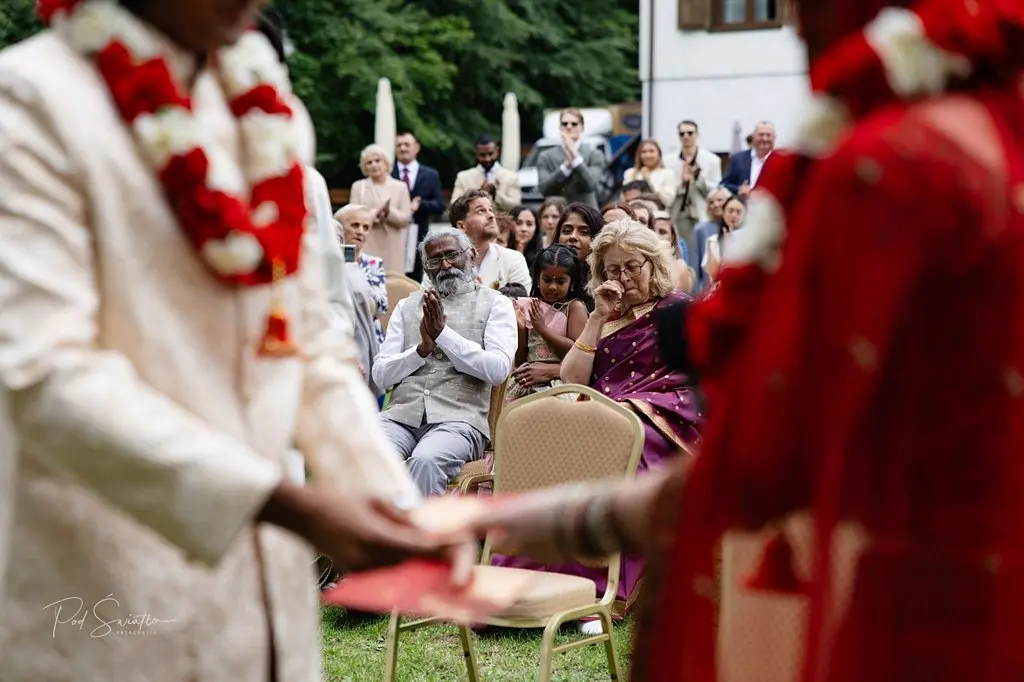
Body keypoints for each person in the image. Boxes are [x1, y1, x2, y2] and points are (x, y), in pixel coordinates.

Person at [465, 1, 1024, 680]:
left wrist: (569, 516)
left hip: (916, 583)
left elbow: (776, 444)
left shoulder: (890, 164)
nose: (791, 20)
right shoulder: (996, 129)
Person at [0, 3, 470, 681]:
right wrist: (283, 504)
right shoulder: (32, 102)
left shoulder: (264, 112)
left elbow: (308, 337)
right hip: (107, 583)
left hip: (267, 603)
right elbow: (42, 375)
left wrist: (388, 502)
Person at [493, 220, 701, 628]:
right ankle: (530, 579)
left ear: (652, 264)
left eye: (631, 267)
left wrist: (631, 407)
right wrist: (596, 319)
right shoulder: (605, 313)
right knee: (551, 449)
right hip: (597, 410)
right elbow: (572, 378)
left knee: (619, 444)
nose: (621, 278)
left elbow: (691, 380)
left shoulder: (677, 308)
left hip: (659, 420)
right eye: (611, 270)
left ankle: (604, 588)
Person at [372, 228, 518, 496]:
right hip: (400, 418)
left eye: (452, 255)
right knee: (366, 455)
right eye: (435, 260)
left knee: (426, 461)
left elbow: (498, 369)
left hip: (459, 421)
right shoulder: (407, 306)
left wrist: (443, 335)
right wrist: (421, 350)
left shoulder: (496, 304)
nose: (445, 265)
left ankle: (417, 537)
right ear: (427, 270)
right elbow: (381, 375)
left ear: (471, 255)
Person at [506, 245, 588, 401]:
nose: (552, 286)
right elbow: (520, 359)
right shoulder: (530, 306)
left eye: (561, 281)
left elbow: (577, 350)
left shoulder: (574, 308)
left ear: (571, 282)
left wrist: (543, 329)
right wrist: (521, 328)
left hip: (560, 383)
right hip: (527, 380)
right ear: (537, 278)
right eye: (547, 279)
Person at [442, 189, 531, 291]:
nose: (491, 216)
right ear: (462, 226)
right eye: (481, 211)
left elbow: (522, 304)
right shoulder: (441, 263)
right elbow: (427, 304)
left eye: (490, 210)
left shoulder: (514, 260)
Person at [350, 144, 413, 276]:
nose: (374, 165)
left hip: (392, 243)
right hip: (367, 242)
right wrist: (375, 211)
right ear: (364, 167)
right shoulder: (358, 187)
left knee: (393, 284)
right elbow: (352, 218)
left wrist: (388, 212)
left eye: (377, 161)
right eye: (369, 162)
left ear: (386, 163)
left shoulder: (400, 187)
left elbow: (405, 219)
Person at [393, 131, 446, 280]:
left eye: (406, 145)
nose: (403, 148)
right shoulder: (388, 173)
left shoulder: (430, 175)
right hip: (392, 236)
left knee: (414, 280)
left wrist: (421, 204)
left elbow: (440, 205)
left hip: (418, 237)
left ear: (416, 148)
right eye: (399, 145)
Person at [536, 108, 605, 208]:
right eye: (565, 123)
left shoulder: (595, 154)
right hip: (558, 214)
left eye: (574, 124)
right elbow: (543, 189)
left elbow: (591, 185)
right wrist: (564, 168)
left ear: (582, 128)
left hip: (586, 213)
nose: (569, 127)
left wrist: (576, 158)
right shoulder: (546, 156)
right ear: (560, 127)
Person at [555, 202, 606, 310]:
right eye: (567, 231)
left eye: (583, 232)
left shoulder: (605, 282)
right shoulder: (544, 271)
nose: (573, 236)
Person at [451, 134, 522, 211]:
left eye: (491, 154)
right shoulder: (463, 177)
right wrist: (477, 193)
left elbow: (516, 207)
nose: (487, 159)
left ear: (497, 151)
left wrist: (496, 194)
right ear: (476, 153)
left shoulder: (511, 177)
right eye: (482, 155)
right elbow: (454, 207)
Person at [703, 194, 746, 285]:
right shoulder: (712, 241)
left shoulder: (750, 240)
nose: (734, 215)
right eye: (730, 211)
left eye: (739, 212)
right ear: (723, 213)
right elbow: (713, 275)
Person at [623, 139, 677, 210]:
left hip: (657, 215)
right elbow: (624, 197)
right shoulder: (630, 173)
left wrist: (648, 181)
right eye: (643, 152)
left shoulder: (668, 173)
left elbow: (667, 201)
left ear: (659, 154)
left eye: (651, 151)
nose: (647, 155)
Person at [508, 205, 545, 270]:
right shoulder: (500, 252)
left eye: (529, 224)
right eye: (518, 223)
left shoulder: (541, 258)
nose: (523, 229)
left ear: (536, 229)